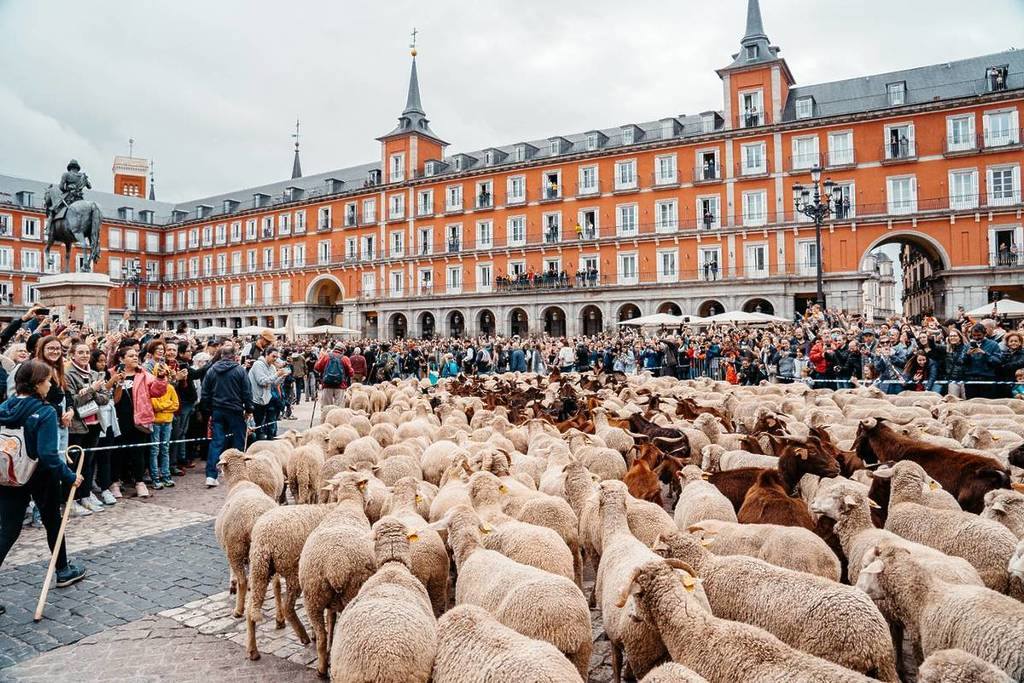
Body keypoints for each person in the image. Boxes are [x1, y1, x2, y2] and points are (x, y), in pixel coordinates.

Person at [0, 360, 88, 610]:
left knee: (8, 530)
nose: (50, 384)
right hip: (39, 474)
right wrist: (69, 476)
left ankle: (63, 568)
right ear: (38, 384)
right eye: (48, 380)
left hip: (9, 474)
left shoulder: (5, 406)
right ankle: (63, 570)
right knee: (53, 521)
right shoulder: (45, 411)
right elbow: (48, 454)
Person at [200, 343, 253, 487]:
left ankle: (211, 475)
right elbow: (247, 392)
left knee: (216, 442)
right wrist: (249, 409)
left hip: (218, 410)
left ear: (221, 356)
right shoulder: (239, 371)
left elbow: (205, 392)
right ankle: (238, 474)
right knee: (238, 443)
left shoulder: (212, 370)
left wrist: (208, 410)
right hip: (235, 410)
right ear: (234, 356)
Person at [66, 342, 110, 513]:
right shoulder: (69, 375)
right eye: (80, 352)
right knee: (75, 464)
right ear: (73, 355)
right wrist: (92, 390)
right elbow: (73, 401)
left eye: (86, 352)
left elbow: (105, 397)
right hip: (78, 425)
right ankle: (72, 499)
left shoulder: (94, 373)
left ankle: (85, 495)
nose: (84, 355)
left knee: (89, 462)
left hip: (94, 423)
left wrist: (88, 392)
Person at [149, 364, 179, 489]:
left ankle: (166, 475)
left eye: (165, 374)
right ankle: (155, 477)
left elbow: (176, 405)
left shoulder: (171, 388)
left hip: (168, 421)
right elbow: (154, 405)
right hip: (156, 422)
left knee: (165, 448)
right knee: (154, 449)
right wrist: (167, 405)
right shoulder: (151, 388)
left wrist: (163, 406)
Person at [248, 347, 284, 441]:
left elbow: (274, 383)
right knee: (257, 427)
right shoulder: (258, 364)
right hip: (255, 400)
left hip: (266, 400)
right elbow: (262, 381)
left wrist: (282, 377)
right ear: (266, 354)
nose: (275, 359)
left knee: (263, 425)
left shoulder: (272, 367)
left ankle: (263, 442)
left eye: (276, 357)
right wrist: (277, 375)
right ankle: (256, 445)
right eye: (273, 356)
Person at [314, 343, 353, 409]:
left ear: (334, 348)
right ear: (342, 350)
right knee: (339, 408)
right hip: (340, 385)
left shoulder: (326, 356)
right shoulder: (345, 358)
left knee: (326, 407)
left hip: (327, 384)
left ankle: (327, 418)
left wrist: (324, 371)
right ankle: (337, 418)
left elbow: (317, 367)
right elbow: (351, 372)